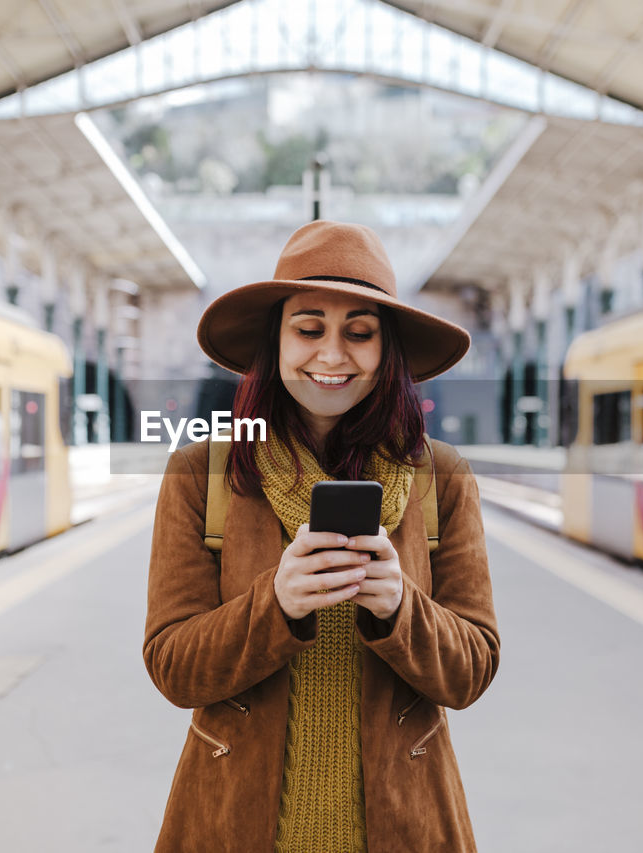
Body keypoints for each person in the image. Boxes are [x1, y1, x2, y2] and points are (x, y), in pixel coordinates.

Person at [144, 220, 500, 852]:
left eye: (359, 333)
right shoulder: (201, 474)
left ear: (385, 350)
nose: (332, 356)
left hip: (406, 829)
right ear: (273, 344)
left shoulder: (442, 478)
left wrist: (400, 608)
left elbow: (471, 671)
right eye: (308, 330)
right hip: (233, 827)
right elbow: (173, 668)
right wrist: (274, 604)